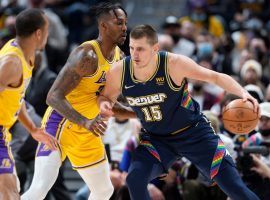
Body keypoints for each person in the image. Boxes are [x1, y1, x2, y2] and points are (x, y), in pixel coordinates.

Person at [98, 24, 260, 200]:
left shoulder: (173, 64)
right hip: (157, 139)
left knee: (236, 189)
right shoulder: (120, 71)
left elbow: (215, 77)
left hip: (194, 133)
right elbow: (104, 97)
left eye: (140, 49)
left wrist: (243, 92)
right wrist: (103, 105)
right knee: (134, 179)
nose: (134, 54)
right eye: (131, 48)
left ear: (155, 49)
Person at [22, 3, 128, 200]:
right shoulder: (86, 55)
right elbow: (53, 96)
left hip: (87, 132)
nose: (124, 28)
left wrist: (141, 112)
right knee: (39, 189)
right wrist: (86, 121)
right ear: (103, 26)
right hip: (60, 126)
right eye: (119, 23)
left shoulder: (119, 58)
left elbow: (112, 104)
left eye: (125, 23)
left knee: (104, 190)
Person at [0, 8, 57, 200]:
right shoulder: (12, 62)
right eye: (47, 30)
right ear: (39, 33)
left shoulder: (27, 55)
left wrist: (33, 128)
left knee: (12, 191)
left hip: (4, 133)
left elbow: (16, 97)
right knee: (9, 192)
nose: (48, 35)